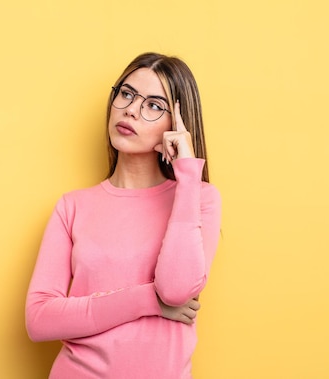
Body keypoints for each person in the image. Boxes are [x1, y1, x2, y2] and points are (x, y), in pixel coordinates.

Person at [25, 52, 222, 379]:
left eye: (154, 105)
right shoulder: (73, 206)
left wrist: (187, 175)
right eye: (127, 94)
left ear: (178, 124)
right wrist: (149, 300)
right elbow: (39, 319)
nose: (131, 109)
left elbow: (175, 290)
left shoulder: (198, 197)